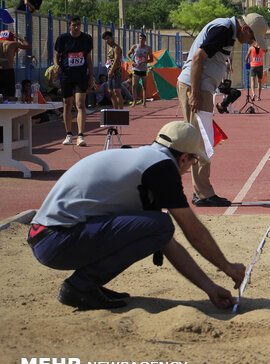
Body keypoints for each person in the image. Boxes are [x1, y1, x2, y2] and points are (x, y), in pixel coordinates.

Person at [27, 121, 246, 310]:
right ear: (184, 158)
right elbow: (193, 231)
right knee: (161, 225)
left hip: (48, 236)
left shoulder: (142, 158)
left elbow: (166, 242)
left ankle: (87, 284)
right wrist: (227, 267)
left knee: (158, 227)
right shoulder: (161, 168)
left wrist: (210, 288)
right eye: (193, 162)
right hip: (57, 241)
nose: (190, 168)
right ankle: (81, 285)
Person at [177, 13, 268, 207]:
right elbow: (198, 57)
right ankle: (202, 194)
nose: (250, 43)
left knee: (201, 140)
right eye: (252, 38)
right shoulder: (223, 30)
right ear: (245, 28)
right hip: (197, 88)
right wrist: (194, 93)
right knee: (202, 141)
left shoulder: (228, 31)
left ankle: (201, 191)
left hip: (202, 88)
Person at [54, 16, 94, 146]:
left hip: (81, 75)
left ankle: (81, 135)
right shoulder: (62, 39)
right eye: (74, 25)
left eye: (78, 25)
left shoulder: (87, 39)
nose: (76, 27)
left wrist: (91, 75)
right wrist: (56, 65)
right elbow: (57, 55)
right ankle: (68, 134)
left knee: (80, 104)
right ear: (69, 26)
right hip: (66, 75)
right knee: (67, 103)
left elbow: (88, 58)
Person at [0, 29, 31, 99]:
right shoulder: (12, 43)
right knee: (9, 96)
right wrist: (19, 37)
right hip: (8, 71)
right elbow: (28, 46)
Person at [127, 33, 154, 107]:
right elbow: (128, 55)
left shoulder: (148, 48)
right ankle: (134, 101)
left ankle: (144, 102)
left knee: (144, 86)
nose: (141, 40)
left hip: (144, 69)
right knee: (133, 85)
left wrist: (144, 61)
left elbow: (151, 59)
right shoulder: (135, 47)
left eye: (142, 39)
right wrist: (132, 62)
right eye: (140, 38)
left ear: (145, 40)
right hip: (136, 69)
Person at [102, 31, 123, 110]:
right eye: (105, 39)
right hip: (110, 72)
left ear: (112, 37)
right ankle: (115, 109)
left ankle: (121, 111)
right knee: (110, 92)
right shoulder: (109, 48)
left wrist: (112, 71)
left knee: (117, 91)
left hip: (116, 72)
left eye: (108, 38)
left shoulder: (116, 48)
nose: (107, 41)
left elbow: (116, 60)